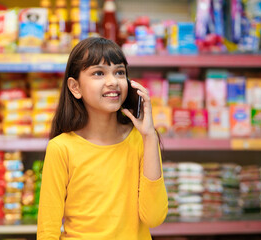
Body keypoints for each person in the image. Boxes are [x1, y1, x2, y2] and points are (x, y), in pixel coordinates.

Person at [37, 37, 168, 240]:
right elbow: (48, 230)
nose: (113, 82)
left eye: (119, 72)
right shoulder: (61, 148)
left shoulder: (142, 140)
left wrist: (150, 136)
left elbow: (154, 218)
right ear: (75, 87)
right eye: (99, 73)